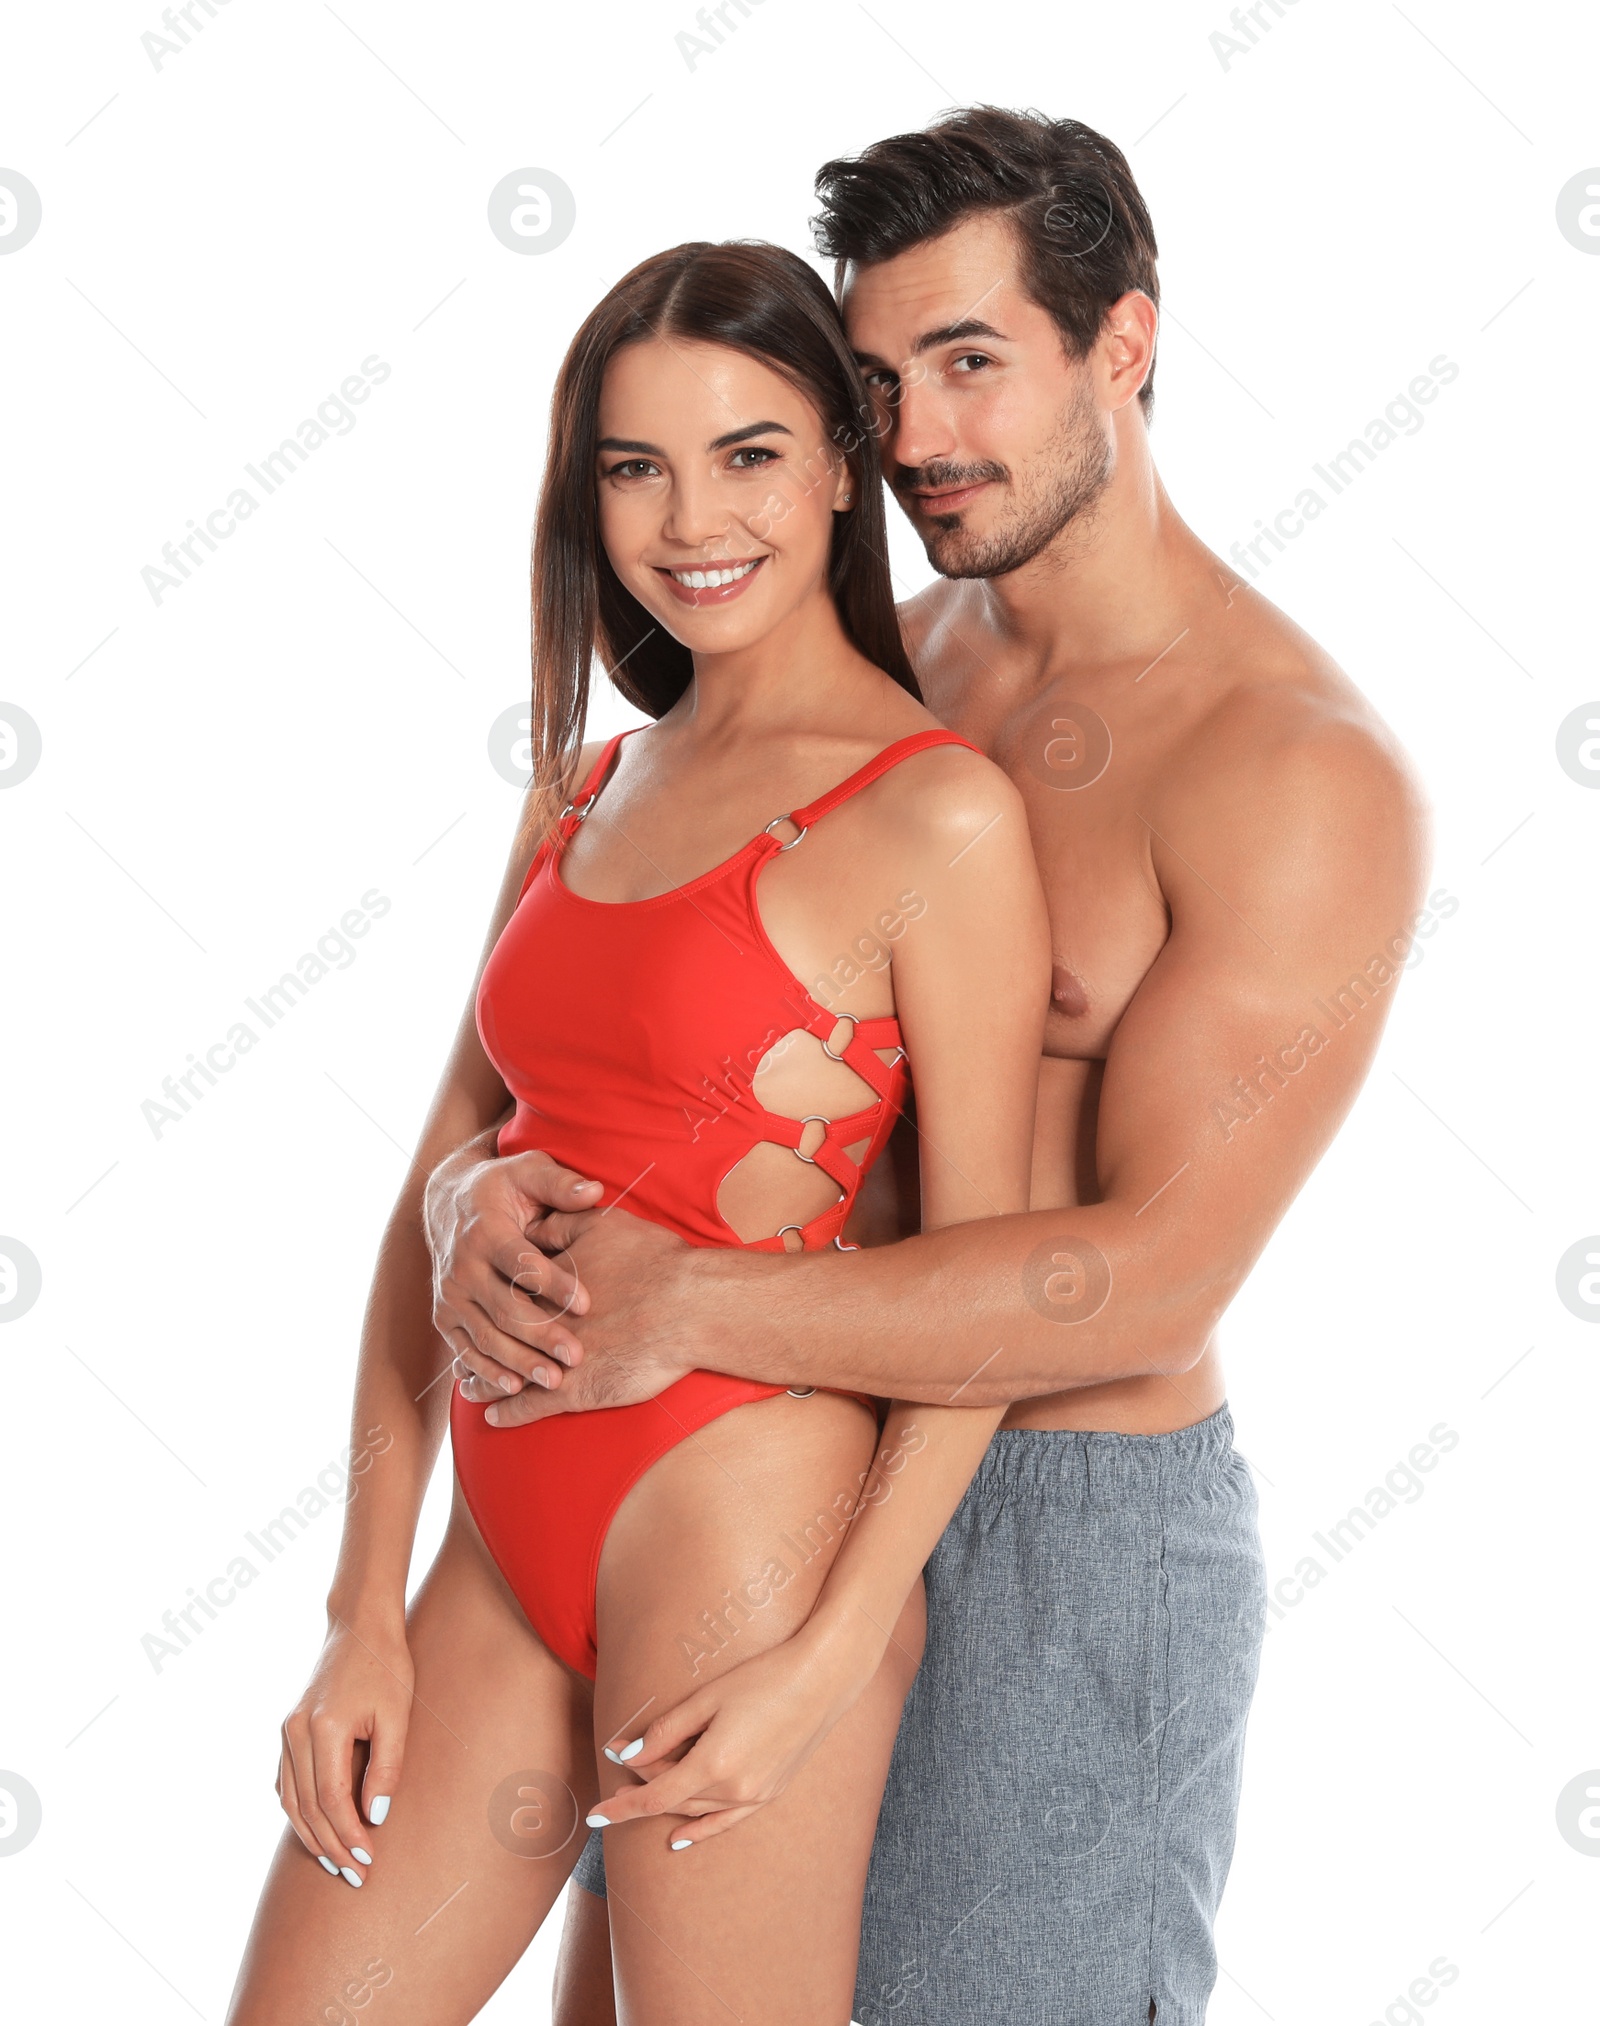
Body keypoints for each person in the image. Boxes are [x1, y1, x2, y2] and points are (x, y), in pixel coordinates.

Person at [432, 108, 1432, 2026]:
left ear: (1123, 346)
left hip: (1059, 1531)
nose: (919, 439)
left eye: (974, 361)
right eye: (879, 382)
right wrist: (470, 1186)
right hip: (755, 1464)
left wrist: (688, 1298)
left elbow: (1150, 1275)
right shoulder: (891, 666)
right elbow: (647, 1029)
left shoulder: (1290, 768)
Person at [222, 237, 1052, 2025]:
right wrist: (361, 1607)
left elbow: (985, 1295)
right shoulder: (587, 781)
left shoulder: (939, 822)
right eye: (635, 465)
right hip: (501, 1542)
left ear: (842, 458)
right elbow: (440, 1172)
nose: (692, 519)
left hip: (738, 1528)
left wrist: (824, 1660)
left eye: (748, 452)